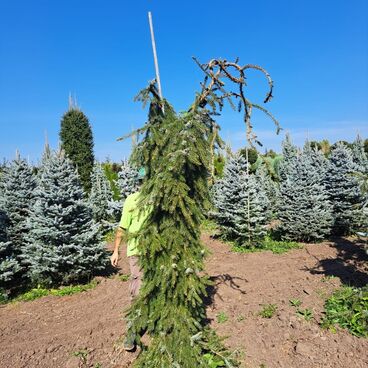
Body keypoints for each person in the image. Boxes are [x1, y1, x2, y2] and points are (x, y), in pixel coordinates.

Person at [110, 168, 149, 351]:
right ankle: (132, 332)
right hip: (137, 253)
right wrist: (116, 250)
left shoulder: (158, 201)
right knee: (138, 291)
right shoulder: (131, 200)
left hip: (157, 253)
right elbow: (123, 227)